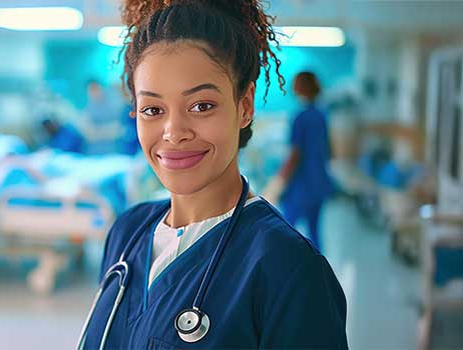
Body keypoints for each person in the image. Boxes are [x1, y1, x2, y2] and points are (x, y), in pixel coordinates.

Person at [76, 1, 348, 349]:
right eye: (153, 109)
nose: (174, 132)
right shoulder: (127, 233)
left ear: (245, 105)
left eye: (201, 106)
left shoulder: (288, 269)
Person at [275, 71, 336, 252]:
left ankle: (285, 273)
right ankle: (318, 272)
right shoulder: (321, 115)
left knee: (285, 230)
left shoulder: (301, 117)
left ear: (301, 86)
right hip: (319, 183)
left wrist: (280, 180)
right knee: (315, 232)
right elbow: (330, 151)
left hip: (302, 186)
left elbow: (295, 155)